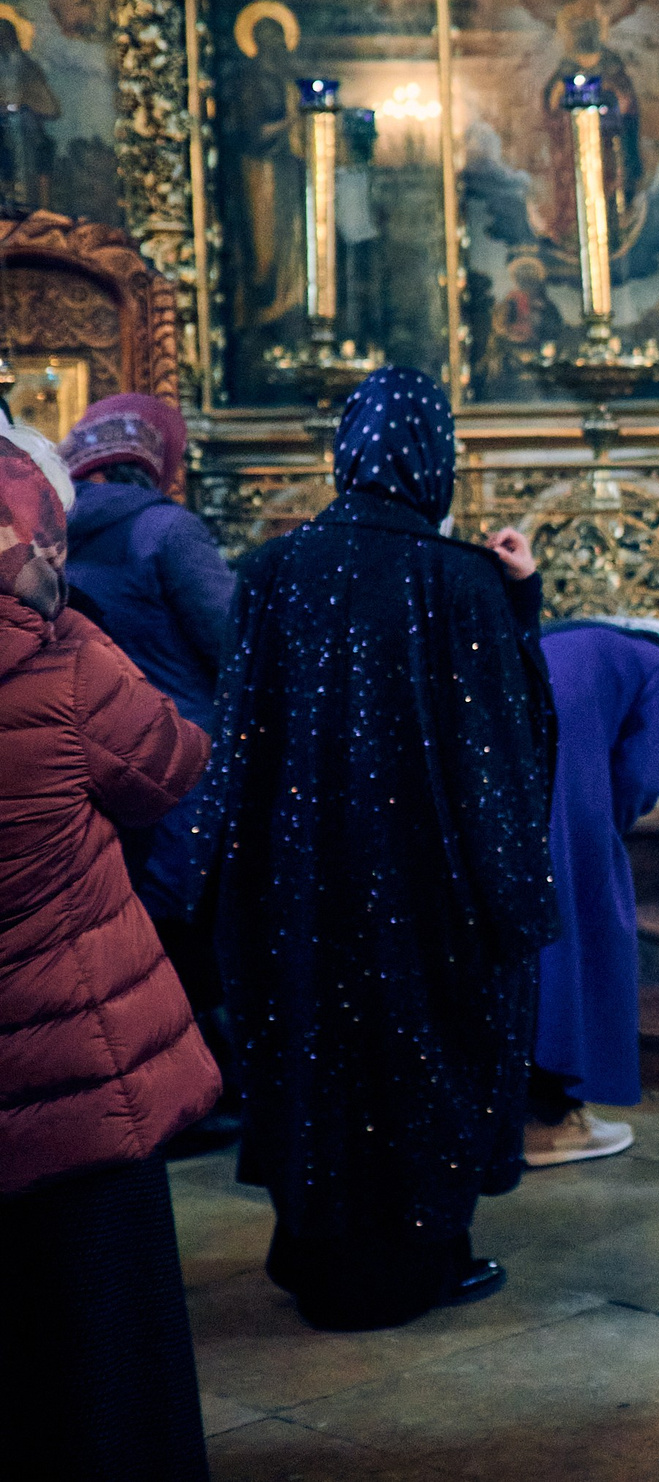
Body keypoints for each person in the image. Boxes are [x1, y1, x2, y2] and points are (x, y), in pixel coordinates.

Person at [199, 366, 560, 1332]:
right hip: (427, 884)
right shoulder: (463, 581)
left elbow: (238, 740)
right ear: (434, 455)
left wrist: (227, 876)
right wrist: (521, 602)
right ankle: (416, 1263)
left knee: (312, 1056)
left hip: (296, 879)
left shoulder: (270, 572)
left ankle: (312, 1251)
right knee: (419, 1061)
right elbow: (509, 744)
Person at [0, 430, 219, 1481]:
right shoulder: (64, 665)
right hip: (82, 1062)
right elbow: (173, 763)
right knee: (112, 1345)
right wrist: (69, 627)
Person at [58, 393, 241, 1148]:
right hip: (184, 759)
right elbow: (234, 644)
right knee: (196, 934)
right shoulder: (166, 530)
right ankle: (195, 1098)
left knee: (134, 936)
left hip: (96, 760)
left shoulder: (49, 528)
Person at [525, 617, 659, 1168]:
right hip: (568, 805)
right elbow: (642, 776)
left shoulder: (564, 638)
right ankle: (551, 1123)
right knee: (581, 946)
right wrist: (609, 829)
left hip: (500, 794)